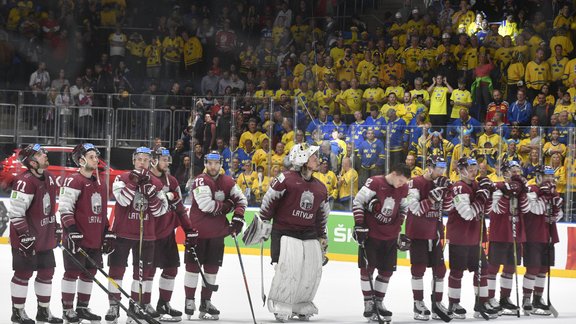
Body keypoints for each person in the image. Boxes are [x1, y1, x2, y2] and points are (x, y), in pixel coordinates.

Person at [257, 143, 330, 322]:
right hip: (284, 231)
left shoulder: (321, 187)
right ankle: (281, 303)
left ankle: (301, 303)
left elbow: (322, 215)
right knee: (289, 269)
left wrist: (322, 236)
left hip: (309, 233)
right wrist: (264, 222)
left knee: (312, 270)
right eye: (313, 156)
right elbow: (269, 201)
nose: (317, 159)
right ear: (302, 158)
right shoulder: (285, 178)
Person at [107, 147, 169, 323]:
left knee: (140, 275)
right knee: (116, 271)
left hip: (146, 235)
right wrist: (134, 183)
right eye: (139, 159)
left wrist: (152, 196)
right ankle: (113, 305)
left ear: (151, 162)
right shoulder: (122, 178)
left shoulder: (156, 183)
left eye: (146, 159)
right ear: (134, 160)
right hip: (122, 234)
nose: (142, 162)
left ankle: (135, 307)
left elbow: (160, 211)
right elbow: (123, 200)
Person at [184, 151, 247, 320]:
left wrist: (238, 217)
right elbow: (206, 205)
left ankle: (206, 301)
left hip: (217, 234)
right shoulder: (200, 180)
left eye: (216, 163)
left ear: (220, 164)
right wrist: (228, 205)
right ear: (205, 163)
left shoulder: (227, 181)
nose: (213, 166)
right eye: (210, 163)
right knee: (192, 269)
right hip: (197, 233)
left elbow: (241, 200)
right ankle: (189, 300)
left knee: (212, 270)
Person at [58, 143, 113, 323]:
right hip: (77, 239)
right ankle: (67, 309)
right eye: (91, 157)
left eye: (96, 156)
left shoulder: (99, 183)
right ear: (81, 161)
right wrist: (72, 231)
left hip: (94, 239)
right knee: (72, 273)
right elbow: (65, 209)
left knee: (90, 273)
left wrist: (107, 232)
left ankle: (82, 308)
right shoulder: (73, 180)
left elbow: (101, 212)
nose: (96, 160)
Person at [8, 144, 62, 324]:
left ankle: (43, 311)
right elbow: (16, 213)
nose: (45, 155)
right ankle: (17, 312)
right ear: (31, 162)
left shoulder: (51, 178)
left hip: (44, 238)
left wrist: (56, 226)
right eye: (40, 154)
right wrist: (24, 235)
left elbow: (49, 210)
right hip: (26, 240)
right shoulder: (24, 181)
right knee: (24, 274)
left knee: (47, 272)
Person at [352, 163, 411, 322]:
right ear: (394, 173)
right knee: (367, 270)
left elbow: (403, 208)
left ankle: (378, 301)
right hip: (372, 235)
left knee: (386, 272)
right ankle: (368, 303)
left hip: (390, 237)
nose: (401, 184)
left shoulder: (404, 189)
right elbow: (357, 202)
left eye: (404, 182)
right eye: (400, 180)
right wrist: (359, 224)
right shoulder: (375, 182)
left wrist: (398, 228)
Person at [445, 157, 499, 319]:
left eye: (476, 169)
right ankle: (453, 304)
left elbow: (486, 210)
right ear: (461, 170)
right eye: (470, 169)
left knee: (482, 271)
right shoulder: (458, 188)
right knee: (457, 272)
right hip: (459, 237)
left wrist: (489, 195)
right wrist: (482, 197)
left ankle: (481, 303)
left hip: (475, 237)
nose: (474, 172)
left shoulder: (476, 185)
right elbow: (467, 214)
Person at [149, 147, 195, 321]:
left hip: (168, 232)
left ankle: (163, 304)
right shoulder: (146, 179)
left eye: (168, 159)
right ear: (154, 160)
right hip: (149, 234)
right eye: (163, 159)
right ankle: (144, 304)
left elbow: (180, 208)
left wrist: (188, 229)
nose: (167, 162)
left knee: (171, 269)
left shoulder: (173, 180)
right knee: (148, 271)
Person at [404, 156, 451, 320]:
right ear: (429, 167)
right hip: (417, 232)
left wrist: (447, 193)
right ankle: (418, 303)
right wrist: (432, 197)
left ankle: (437, 303)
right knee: (418, 268)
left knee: (440, 270)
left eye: (443, 168)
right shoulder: (414, 183)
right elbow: (415, 209)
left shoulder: (440, 182)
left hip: (436, 233)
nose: (442, 171)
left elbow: (447, 207)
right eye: (439, 168)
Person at [486, 160, 528, 315]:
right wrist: (506, 193)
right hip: (500, 232)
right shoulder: (497, 188)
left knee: (510, 267)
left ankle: (505, 298)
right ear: (505, 173)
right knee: (493, 267)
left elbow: (526, 208)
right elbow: (496, 210)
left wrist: (521, 192)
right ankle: (489, 298)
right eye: (513, 170)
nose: (517, 172)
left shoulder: (523, 188)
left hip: (516, 233)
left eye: (518, 169)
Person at [522, 166, 562, 315]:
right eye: (547, 176)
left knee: (544, 269)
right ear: (539, 176)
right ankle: (526, 299)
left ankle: (537, 299)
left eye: (552, 176)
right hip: (533, 234)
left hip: (548, 233)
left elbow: (559, 213)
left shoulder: (552, 191)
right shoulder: (531, 189)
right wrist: (547, 198)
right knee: (532, 268)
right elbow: (535, 209)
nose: (550, 179)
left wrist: (556, 213)